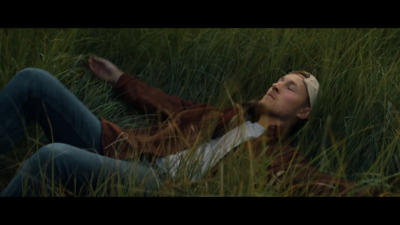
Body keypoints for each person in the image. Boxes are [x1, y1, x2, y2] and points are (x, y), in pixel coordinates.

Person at [0, 56, 382, 196]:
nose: (278, 84)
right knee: (33, 80)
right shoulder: (226, 114)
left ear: (303, 112)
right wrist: (120, 79)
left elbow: (328, 186)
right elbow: (169, 105)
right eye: (280, 79)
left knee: (51, 158)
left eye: (290, 87)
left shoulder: (279, 159)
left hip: (162, 185)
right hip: (127, 150)